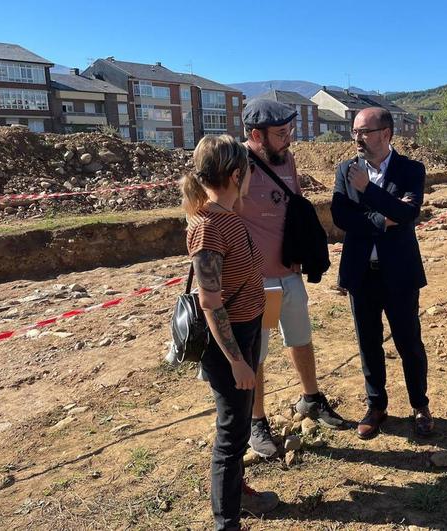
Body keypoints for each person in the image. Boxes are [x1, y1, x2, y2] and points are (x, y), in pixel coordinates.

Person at [235, 98, 345, 458]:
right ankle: (256, 420)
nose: (290, 139)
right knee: (257, 354)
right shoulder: (235, 164)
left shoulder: (288, 160)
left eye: (290, 131)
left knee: (301, 338)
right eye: (281, 133)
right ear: (256, 134)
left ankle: (310, 398)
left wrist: (303, 252)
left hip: (289, 272)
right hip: (254, 281)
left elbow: (294, 206)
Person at [182, 135, 278, 530]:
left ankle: (238, 492)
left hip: (247, 329)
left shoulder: (227, 216)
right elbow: (210, 303)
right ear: (236, 174)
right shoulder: (207, 228)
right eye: (249, 171)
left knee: (238, 425)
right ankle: (228, 522)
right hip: (230, 341)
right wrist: (237, 361)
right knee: (231, 433)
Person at [331, 107, 433, 440]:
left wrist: (369, 192)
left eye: (364, 132)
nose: (357, 138)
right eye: (354, 132)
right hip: (362, 273)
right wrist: (382, 219)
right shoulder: (345, 170)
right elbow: (341, 216)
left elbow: (408, 213)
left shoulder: (410, 170)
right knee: (368, 344)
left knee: (409, 343)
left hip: (400, 274)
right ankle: (376, 406)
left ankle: (419, 404)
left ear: (386, 134)